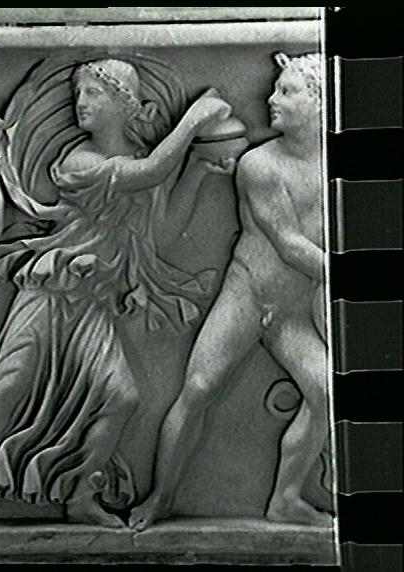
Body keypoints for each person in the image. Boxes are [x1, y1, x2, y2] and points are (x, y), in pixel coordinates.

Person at [0, 58, 234, 531]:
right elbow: (148, 172)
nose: (81, 104)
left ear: (124, 104)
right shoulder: (79, 161)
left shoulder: (141, 161)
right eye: (77, 94)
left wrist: (195, 171)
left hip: (93, 302)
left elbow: (163, 233)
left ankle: (81, 496)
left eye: (92, 93)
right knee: (8, 386)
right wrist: (193, 121)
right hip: (50, 291)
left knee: (122, 396)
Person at [129, 52, 330, 531]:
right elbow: (287, 243)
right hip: (247, 297)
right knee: (198, 389)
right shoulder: (259, 165)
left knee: (326, 392)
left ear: (321, 102)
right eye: (275, 88)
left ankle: (285, 500)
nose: (271, 99)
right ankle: (161, 497)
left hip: (292, 311)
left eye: (287, 91)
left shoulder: (336, 167)